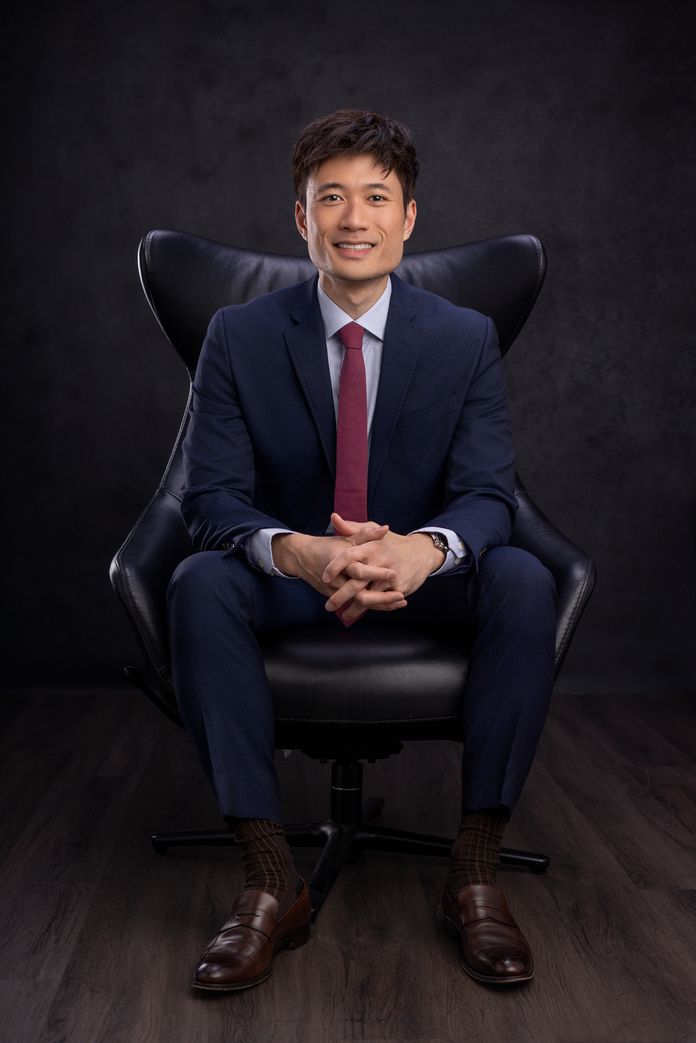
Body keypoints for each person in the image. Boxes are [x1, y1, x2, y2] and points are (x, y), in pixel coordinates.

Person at [167, 108, 556, 992]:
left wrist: (426, 550)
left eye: (376, 197)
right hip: (294, 578)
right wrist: (297, 551)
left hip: (421, 579)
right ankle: (271, 881)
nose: (354, 219)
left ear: (408, 217)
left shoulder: (464, 338)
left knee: (524, 579)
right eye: (330, 197)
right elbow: (213, 499)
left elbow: (489, 494)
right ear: (301, 218)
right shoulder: (238, 336)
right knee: (198, 582)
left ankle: (475, 869)